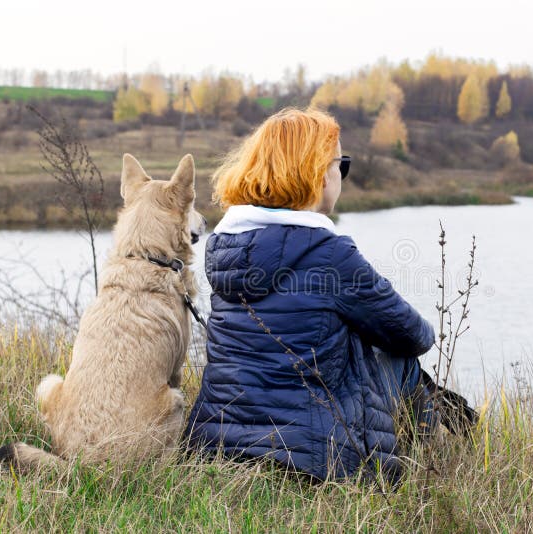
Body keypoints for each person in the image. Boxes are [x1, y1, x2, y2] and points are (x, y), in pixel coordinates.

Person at [184, 108, 436, 481]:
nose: (341, 175)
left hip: (215, 443)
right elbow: (414, 335)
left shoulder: (223, 245)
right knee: (405, 364)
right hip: (312, 459)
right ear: (318, 173)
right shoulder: (331, 254)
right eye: (341, 165)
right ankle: (420, 475)